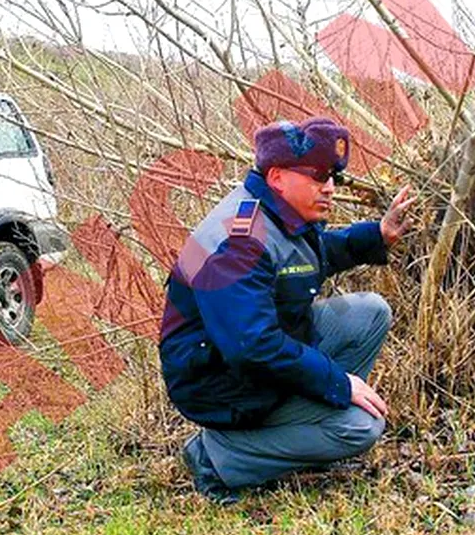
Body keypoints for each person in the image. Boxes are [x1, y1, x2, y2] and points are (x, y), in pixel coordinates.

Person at [159, 117, 416, 503]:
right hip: (216, 381)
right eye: (317, 176)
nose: (329, 187)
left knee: (370, 311)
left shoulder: (277, 213)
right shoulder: (239, 242)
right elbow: (254, 348)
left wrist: (375, 237)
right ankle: (216, 456)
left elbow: (307, 258)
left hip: (248, 354)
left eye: (333, 177)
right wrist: (339, 383)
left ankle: (306, 432)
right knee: (361, 428)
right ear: (278, 176)